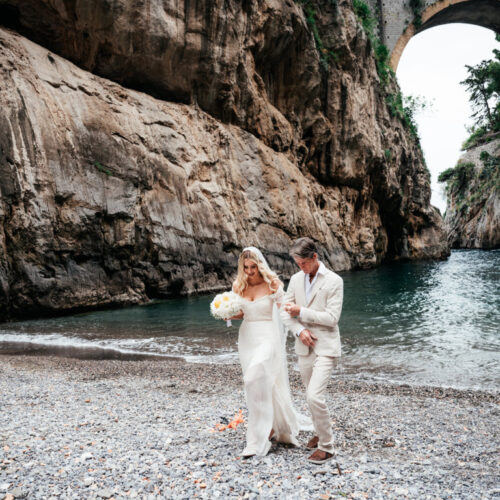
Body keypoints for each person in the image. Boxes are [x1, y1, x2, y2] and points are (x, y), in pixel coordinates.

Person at [229, 247, 311, 457]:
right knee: (260, 384)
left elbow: (285, 312)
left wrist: (299, 329)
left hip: (268, 336)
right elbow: (242, 313)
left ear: (260, 265)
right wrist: (226, 314)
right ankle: (270, 427)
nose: (249, 271)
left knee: (252, 379)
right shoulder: (239, 285)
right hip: (247, 337)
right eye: (246, 267)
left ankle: (258, 439)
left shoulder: (272, 284)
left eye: (253, 267)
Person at [282, 237, 343, 465]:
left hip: (326, 346)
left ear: (314, 257)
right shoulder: (296, 279)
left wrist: (302, 312)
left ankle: (327, 446)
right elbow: (285, 313)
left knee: (314, 395)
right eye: (298, 264)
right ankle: (317, 431)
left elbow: (332, 318)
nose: (301, 268)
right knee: (310, 395)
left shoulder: (335, 281)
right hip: (304, 346)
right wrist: (299, 331)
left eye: (303, 263)